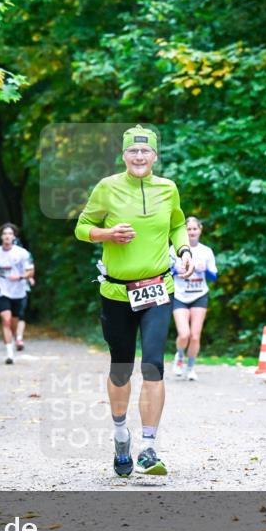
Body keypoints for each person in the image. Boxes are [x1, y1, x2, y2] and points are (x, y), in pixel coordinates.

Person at [75, 125, 193, 477]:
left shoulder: (167, 188)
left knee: (153, 364)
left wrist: (183, 249)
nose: (139, 157)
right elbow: (82, 227)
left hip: (158, 289)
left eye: (145, 152)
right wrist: (106, 234)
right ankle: (120, 436)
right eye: (133, 152)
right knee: (121, 367)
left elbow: (177, 224)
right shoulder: (107, 188)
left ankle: (149, 447)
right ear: (124, 155)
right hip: (116, 292)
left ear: (155, 156)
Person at [170, 217, 218, 381]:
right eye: (188, 229)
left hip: (199, 295)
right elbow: (165, 273)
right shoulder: (173, 250)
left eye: (194, 229)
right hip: (179, 295)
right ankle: (180, 356)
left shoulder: (206, 251)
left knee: (195, 336)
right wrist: (176, 269)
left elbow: (214, 277)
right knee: (184, 334)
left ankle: (191, 368)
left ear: (200, 229)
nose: (191, 232)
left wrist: (205, 270)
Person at [0, 224, 34, 364]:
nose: (7, 236)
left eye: (10, 233)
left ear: (14, 236)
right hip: (1, 291)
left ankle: (14, 337)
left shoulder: (22, 253)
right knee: (5, 319)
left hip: (18, 291)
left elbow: (31, 271)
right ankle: (9, 353)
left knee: (14, 322)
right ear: (1, 236)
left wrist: (20, 277)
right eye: (4, 233)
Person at [13, 240, 35, 351]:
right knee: (12, 316)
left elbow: (30, 269)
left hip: (22, 289)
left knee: (20, 314)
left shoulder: (25, 255)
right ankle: (14, 335)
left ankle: (19, 338)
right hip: (8, 290)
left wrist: (30, 278)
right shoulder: (5, 256)